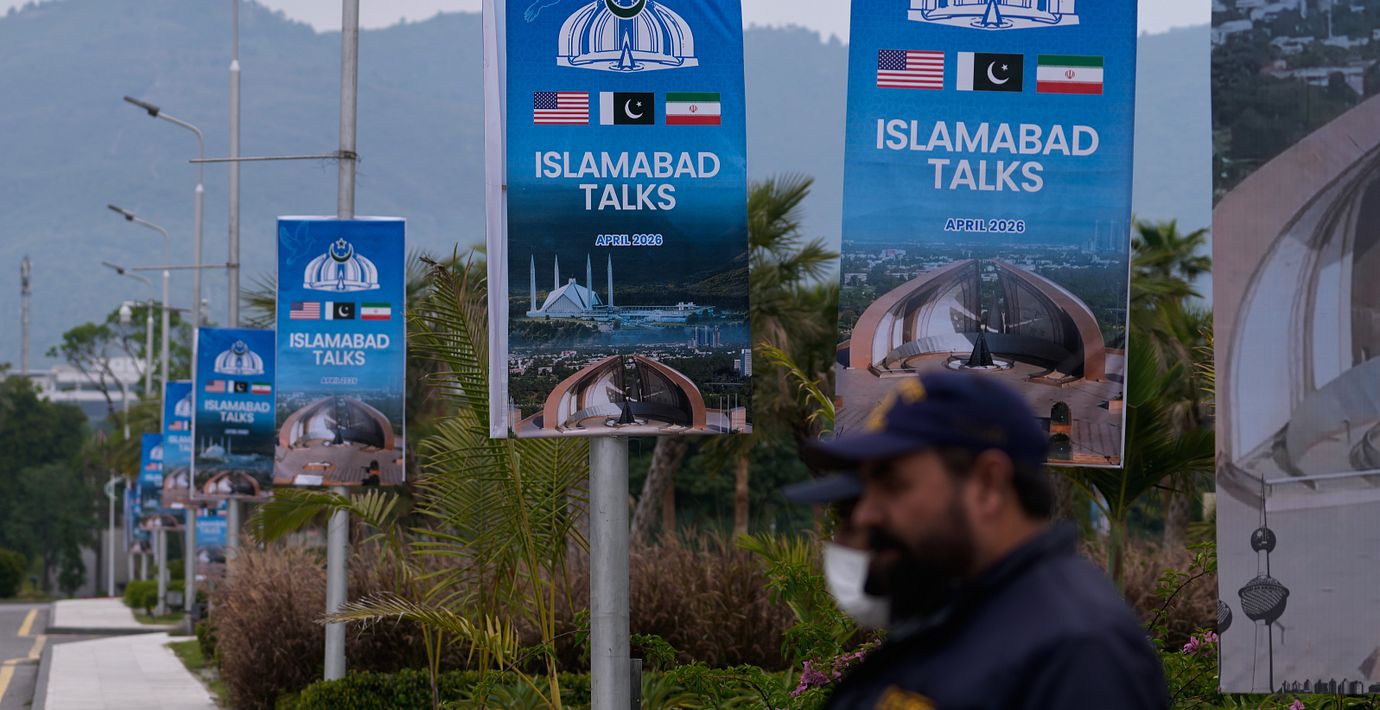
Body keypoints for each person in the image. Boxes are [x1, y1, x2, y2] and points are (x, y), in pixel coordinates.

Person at [786, 372, 1168, 710]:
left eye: (892, 483)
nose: (866, 514)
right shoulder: (962, 616)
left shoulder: (1078, 654)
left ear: (988, 484)